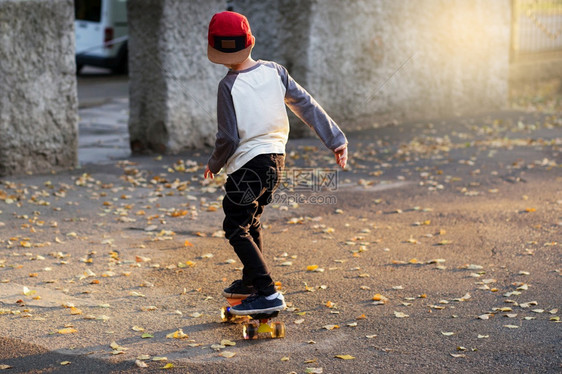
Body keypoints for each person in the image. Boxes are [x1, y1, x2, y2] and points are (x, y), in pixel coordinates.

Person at [204, 11, 348, 315]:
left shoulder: (227, 87)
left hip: (246, 167)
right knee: (251, 218)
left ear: (215, 51)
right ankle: (252, 282)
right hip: (274, 163)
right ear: (250, 42)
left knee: (234, 224)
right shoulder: (275, 72)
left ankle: (267, 292)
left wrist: (215, 163)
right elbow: (305, 105)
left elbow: (228, 138)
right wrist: (335, 139)